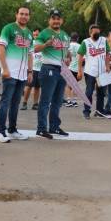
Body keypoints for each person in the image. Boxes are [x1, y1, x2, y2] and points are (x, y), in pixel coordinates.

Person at [0, 6, 33, 143]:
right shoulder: (9, 28)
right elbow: (1, 49)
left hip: (23, 74)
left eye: (26, 14)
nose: (24, 16)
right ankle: (1, 132)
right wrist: (4, 69)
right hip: (10, 72)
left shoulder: (29, 33)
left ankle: (12, 130)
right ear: (16, 15)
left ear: (29, 17)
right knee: (5, 102)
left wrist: (30, 71)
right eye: (21, 14)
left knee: (15, 103)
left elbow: (30, 54)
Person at [34, 9, 71, 138]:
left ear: (61, 20)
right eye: (53, 18)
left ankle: (54, 126)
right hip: (48, 68)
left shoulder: (65, 35)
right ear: (49, 20)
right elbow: (35, 48)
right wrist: (45, 44)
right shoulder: (44, 33)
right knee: (46, 100)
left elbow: (67, 51)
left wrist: (68, 57)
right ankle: (41, 128)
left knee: (58, 101)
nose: (56, 21)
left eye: (58, 18)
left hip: (62, 70)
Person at [77, 24, 110, 119]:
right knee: (89, 92)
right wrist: (79, 71)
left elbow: (108, 53)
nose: (96, 33)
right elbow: (80, 56)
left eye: (98, 32)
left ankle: (99, 111)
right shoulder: (86, 42)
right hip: (90, 71)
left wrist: (107, 66)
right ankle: (86, 111)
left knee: (101, 93)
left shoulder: (103, 40)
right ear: (90, 32)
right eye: (94, 32)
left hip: (102, 71)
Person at [22, 28, 42, 110]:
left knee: (37, 87)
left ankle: (35, 103)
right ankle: (24, 103)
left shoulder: (43, 44)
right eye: (34, 35)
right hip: (32, 69)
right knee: (28, 86)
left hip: (40, 69)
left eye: (37, 35)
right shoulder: (30, 43)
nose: (35, 36)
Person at [65, 32, 81, 107]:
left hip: (69, 67)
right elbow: (82, 58)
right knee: (75, 85)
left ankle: (68, 101)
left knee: (68, 85)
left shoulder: (67, 46)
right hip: (76, 68)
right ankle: (74, 101)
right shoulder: (79, 46)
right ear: (77, 38)